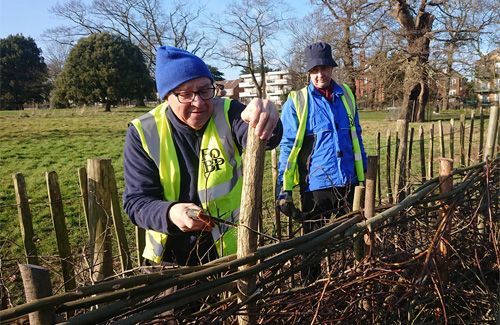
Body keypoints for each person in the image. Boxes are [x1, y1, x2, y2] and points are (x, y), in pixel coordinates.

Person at [123, 46, 282, 267]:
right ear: (167, 97)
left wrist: (266, 117)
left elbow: (263, 137)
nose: (198, 102)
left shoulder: (228, 112)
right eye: (186, 94)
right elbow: (136, 202)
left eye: (205, 90)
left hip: (228, 254)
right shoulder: (143, 131)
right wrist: (171, 212)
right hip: (169, 259)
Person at [276, 42, 367, 283]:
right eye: (314, 70)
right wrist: (283, 190)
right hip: (316, 185)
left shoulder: (346, 94)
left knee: (356, 237)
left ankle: (354, 283)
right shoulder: (297, 101)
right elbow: (287, 146)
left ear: (331, 68)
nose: (320, 75)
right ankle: (311, 289)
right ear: (308, 72)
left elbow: (356, 135)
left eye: (324, 68)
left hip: (349, 180)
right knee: (313, 245)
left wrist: (364, 174)